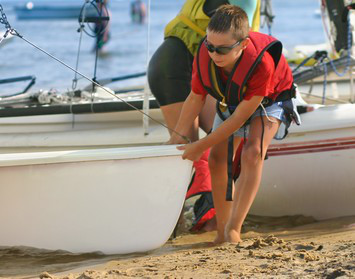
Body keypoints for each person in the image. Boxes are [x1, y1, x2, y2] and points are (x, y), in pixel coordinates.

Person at [168, 4, 300, 243]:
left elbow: (240, 119)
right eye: (210, 46)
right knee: (217, 159)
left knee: (252, 153)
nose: (214, 55)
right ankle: (221, 231)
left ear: (244, 45)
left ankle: (233, 229)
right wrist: (177, 134)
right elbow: (196, 97)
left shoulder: (262, 64)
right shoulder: (205, 55)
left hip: (270, 101)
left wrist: (200, 146)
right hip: (231, 100)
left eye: (223, 50)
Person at [148, 0, 260, 231]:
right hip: (176, 68)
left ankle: (197, 223)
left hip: (179, 62)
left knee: (214, 145)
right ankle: (186, 225)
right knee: (190, 150)